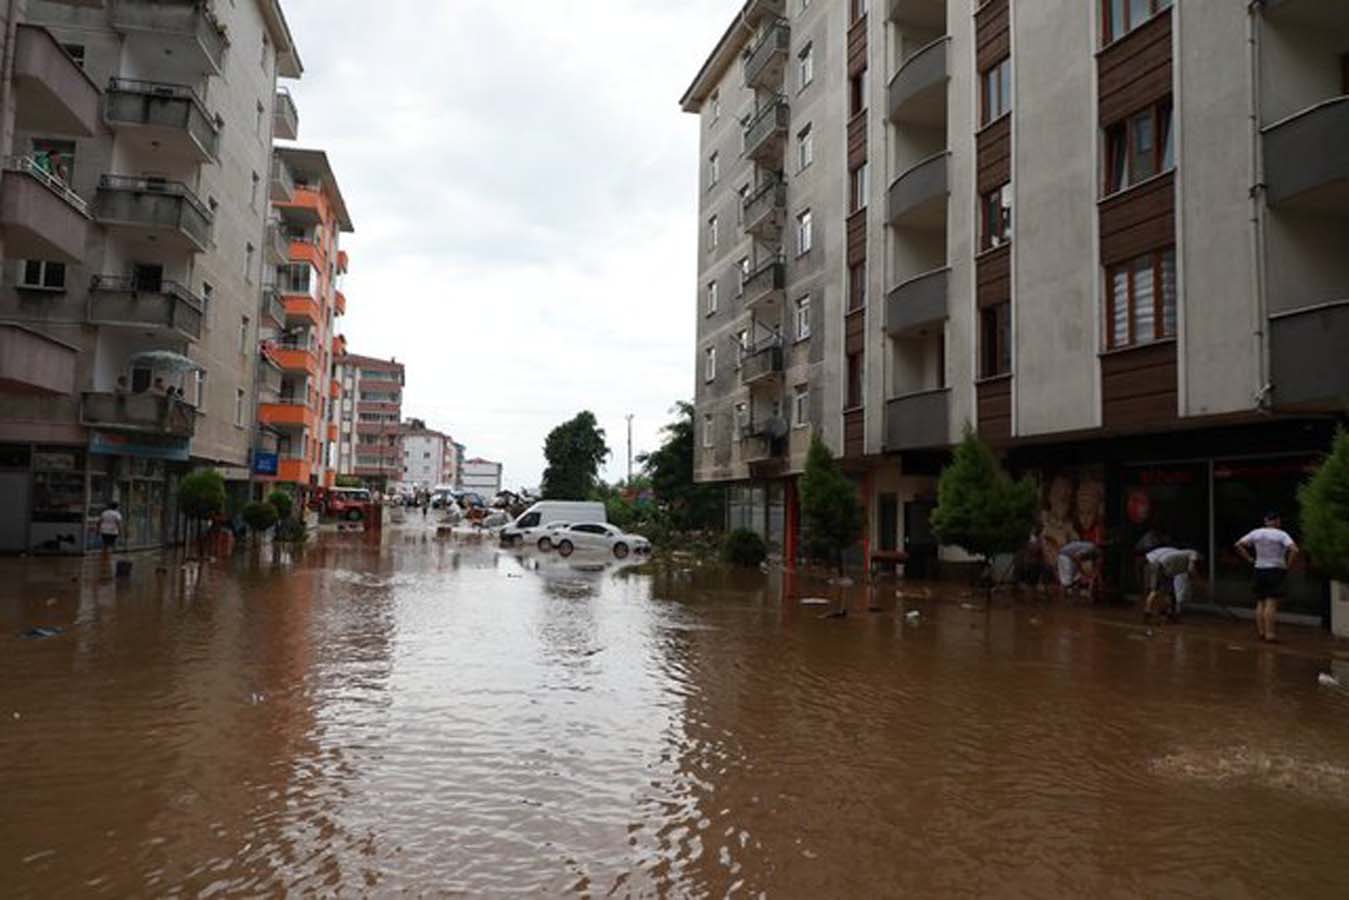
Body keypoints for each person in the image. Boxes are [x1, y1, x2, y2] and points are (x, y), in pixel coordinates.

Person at [1236, 512, 1299, 643]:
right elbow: (1294, 549)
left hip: (1259, 568)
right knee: (1271, 602)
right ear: (1276, 521)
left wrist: (1249, 558)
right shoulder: (1281, 534)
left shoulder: (1256, 533)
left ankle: (1261, 632)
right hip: (1275, 569)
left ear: (1266, 521)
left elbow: (1238, 544)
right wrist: (1288, 564)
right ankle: (1270, 634)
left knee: (1260, 601)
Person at [1143, 546, 1201, 623]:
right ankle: (1148, 611)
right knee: (1156, 591)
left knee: (1170, 593)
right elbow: (1191, 569)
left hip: (1166, 569)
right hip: (1161, 566)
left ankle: (1168, 614)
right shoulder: (1193, 553)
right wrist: (1198, 580)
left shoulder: (1182, 555)